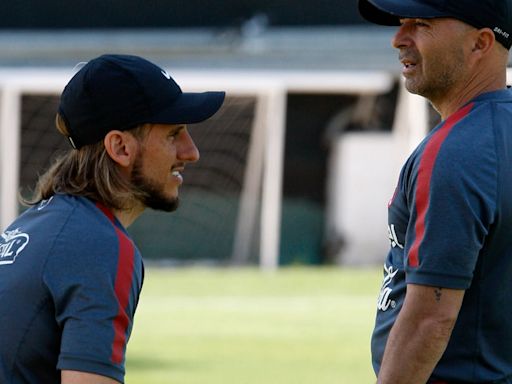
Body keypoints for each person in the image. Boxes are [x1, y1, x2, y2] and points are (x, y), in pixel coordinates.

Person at [0, 54, 225, 384]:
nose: (191, 152)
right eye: (173, 134)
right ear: (120, 147)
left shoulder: (28, 227)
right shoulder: (99, 245)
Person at [357, 0, 512, 383]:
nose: (398, 39)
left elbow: (430, 320)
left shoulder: (456, 151)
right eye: (401, 23)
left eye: (420, 24)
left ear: (480, 43)